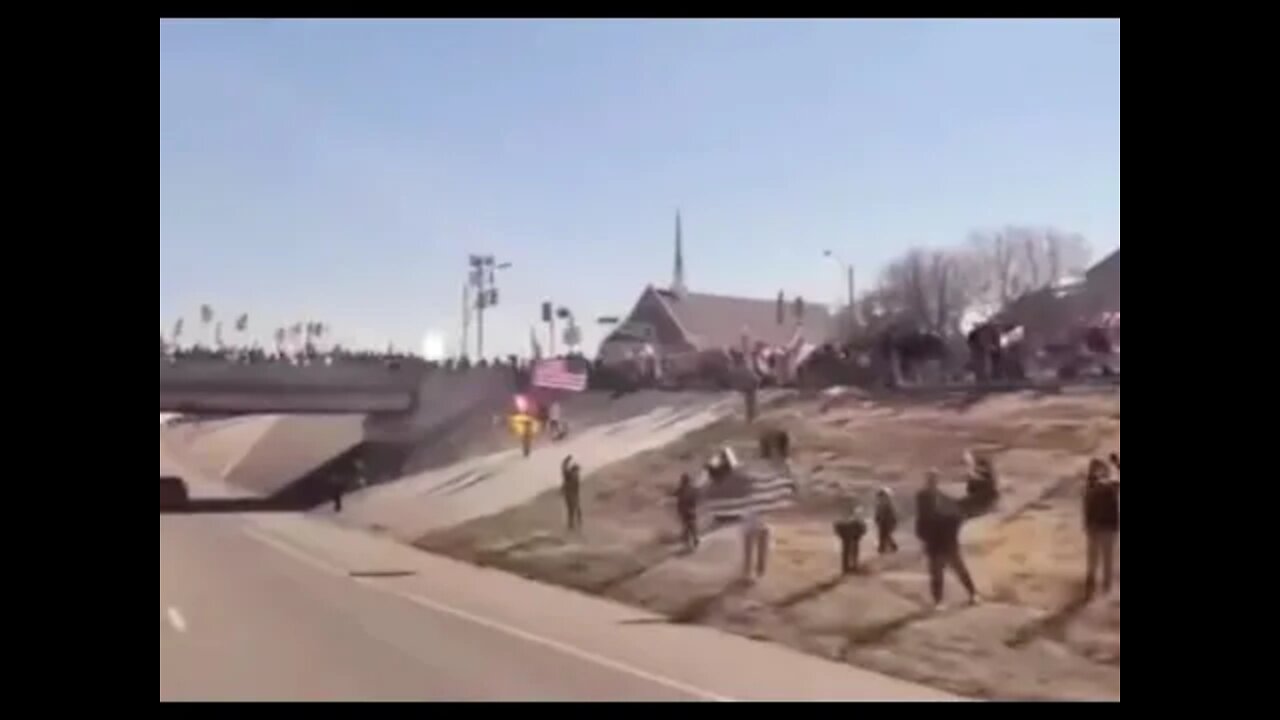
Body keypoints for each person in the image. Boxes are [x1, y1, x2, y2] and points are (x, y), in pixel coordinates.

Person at [915, 470, 978, 608]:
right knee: (938, 573)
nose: (932, 482)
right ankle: (939, 601)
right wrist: (924, 537)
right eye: (931, 479)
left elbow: (955, 515)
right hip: (936, 542)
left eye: (934, 479)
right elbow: (922, 521)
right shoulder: (924, 498)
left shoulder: (941, 498)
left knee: (958, 569)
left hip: (946, 541)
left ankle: (972, 594)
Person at [1083, 458, 1120, 598]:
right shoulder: (1096, 485)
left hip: (1103, 527)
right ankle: (1099, 585)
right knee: (1100, 557)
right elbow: (1087, 506)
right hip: (1101, 527)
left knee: (1102, 558)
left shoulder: (1108, 486)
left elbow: (1087, 506)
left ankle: (1101, 585)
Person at [833, 500, 868, 574]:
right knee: (851, 551)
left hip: (851, 537)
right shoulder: (854, 515)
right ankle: (851, 566)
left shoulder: (846, 516)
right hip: (851, 537)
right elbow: (862, 527)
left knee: (848, 551)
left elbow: (837, 527)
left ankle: (848, 567)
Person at [741, 510, 771, 581]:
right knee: (749, 551)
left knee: (761, 550)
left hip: (762, 524)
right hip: (749, 526)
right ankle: (748, 573)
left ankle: (758, 570)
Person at [674, 473, 700, 551]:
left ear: (682, 481)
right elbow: (696, 496)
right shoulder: (692, 488)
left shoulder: (681, 488)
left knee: (685, 524)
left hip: (683, 510)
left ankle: (687, 539)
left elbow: (674, 494)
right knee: (692, 524)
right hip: (691, 509)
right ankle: (695, 537)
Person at [874, 486, 900, 554]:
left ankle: (884, 547)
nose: (881, 498)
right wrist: (877, 519)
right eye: (880, 496)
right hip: (882, 522)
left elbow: (893, 514)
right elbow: (877, 513)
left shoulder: (889, 504)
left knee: (886, 535)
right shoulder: (879, 504)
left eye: (882, 496)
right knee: (883, 535)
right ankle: (884, 547)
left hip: (888, 522)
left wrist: (893, 522)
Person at [561, 455, 583, 532]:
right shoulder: (568, 474)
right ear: (574, 470)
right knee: (571, 509)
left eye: (578, 471)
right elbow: (563, 467)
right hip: (569, 494)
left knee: (576, 508)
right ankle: (571, 522)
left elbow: (577, 487)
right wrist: (566, 460)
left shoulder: (576, 476)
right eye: (577, 471)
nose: (577, 473)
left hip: (573, 494)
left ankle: (577, 520)